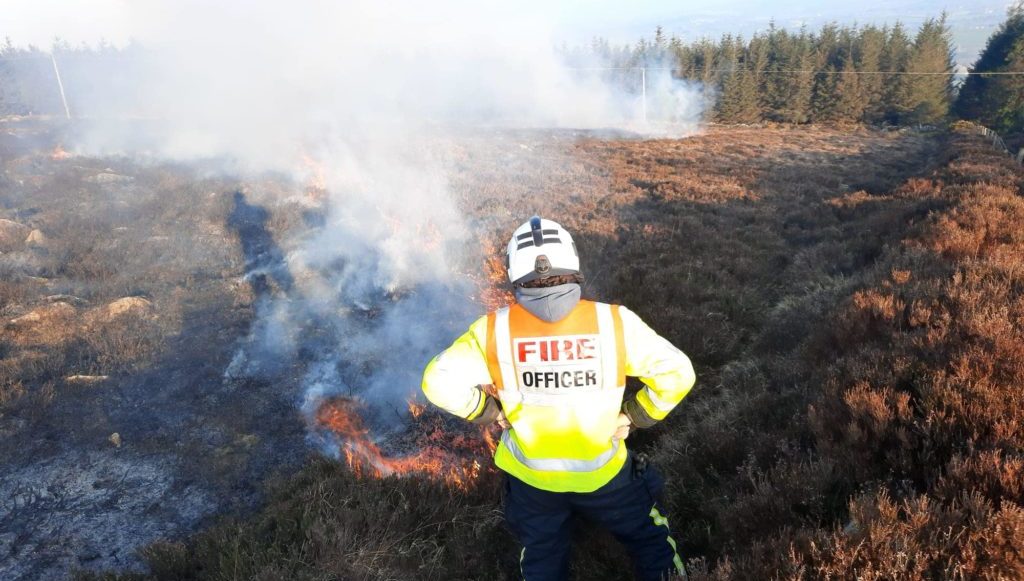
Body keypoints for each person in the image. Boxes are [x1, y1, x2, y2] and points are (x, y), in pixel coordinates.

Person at [422, 216, 696, 580]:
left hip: (533, 483)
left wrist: (488, 412)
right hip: (606, 476)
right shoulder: (614, 323)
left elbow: (436, 382)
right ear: (572, 262)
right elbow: (679, 373)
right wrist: (634, 415)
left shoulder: (493, 330)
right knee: (651, 542)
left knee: (542, 561)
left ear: (513, 271)